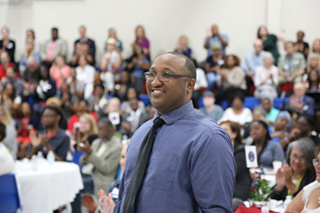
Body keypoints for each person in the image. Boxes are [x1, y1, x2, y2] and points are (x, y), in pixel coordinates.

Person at [115, 53, 236, 212]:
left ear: (190, 85)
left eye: (166, 74)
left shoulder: (209, 138)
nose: (155, 82)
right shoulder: (141, 133)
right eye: (151, 74)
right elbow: (125, 196)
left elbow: (215, 209)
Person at [79, 118, 122, 198]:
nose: (100, 132)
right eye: (98, 129)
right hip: (86, 173)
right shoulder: (96, 142)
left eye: (102, 129)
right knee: (69, 181)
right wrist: (86, 155)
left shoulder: (117, 147)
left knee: (77, 185)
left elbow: (107, 169)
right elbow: (81, 162)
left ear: (111, 130)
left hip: (100, 179)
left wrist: (90, 154)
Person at [220, 121, 252, 201]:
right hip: (221, 191)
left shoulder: (242, 151)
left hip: (237, 193)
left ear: (234, 134)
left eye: (225, 130)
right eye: (219, 129)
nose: (220, 132)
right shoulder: (216, 151)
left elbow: (231, 172)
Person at [285, 145, 320, 212]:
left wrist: (289, 184)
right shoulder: (313, 187)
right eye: (317, 161)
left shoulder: (310, 178)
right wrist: (279, 188)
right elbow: (289, 210)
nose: (316, 165)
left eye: (301, 158)